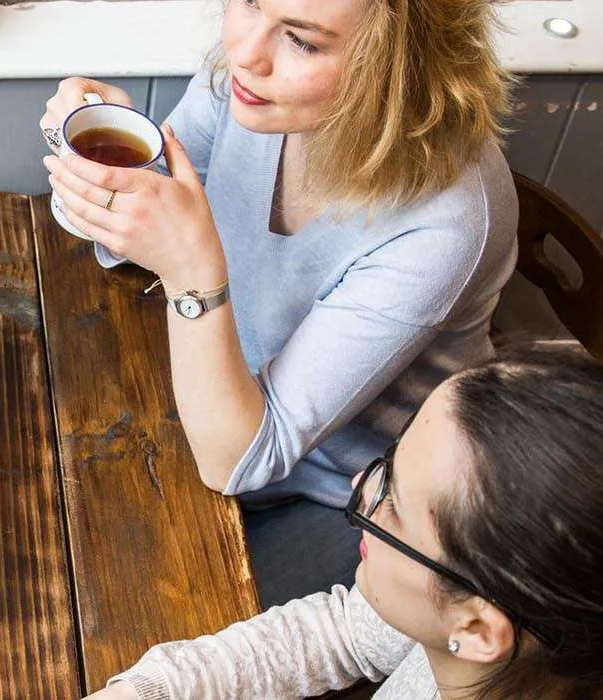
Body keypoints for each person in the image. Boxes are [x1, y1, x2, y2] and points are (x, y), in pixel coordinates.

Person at [39, 0, 519, 605]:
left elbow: (236, 457)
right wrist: (93, 156)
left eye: (303, 42)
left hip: (348, 496)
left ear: (401, 66)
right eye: (247, 3)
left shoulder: (444, 221)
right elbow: (139, 232)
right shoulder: (248, 85)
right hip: (217, 385)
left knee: (142, 607)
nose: (245, 52)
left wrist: (192, 274)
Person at [85, 349, 603, 699]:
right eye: (388, 465)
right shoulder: (516, 641)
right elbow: (338, 632)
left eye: (392, 502)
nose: (358, 491)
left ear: (477, 628)